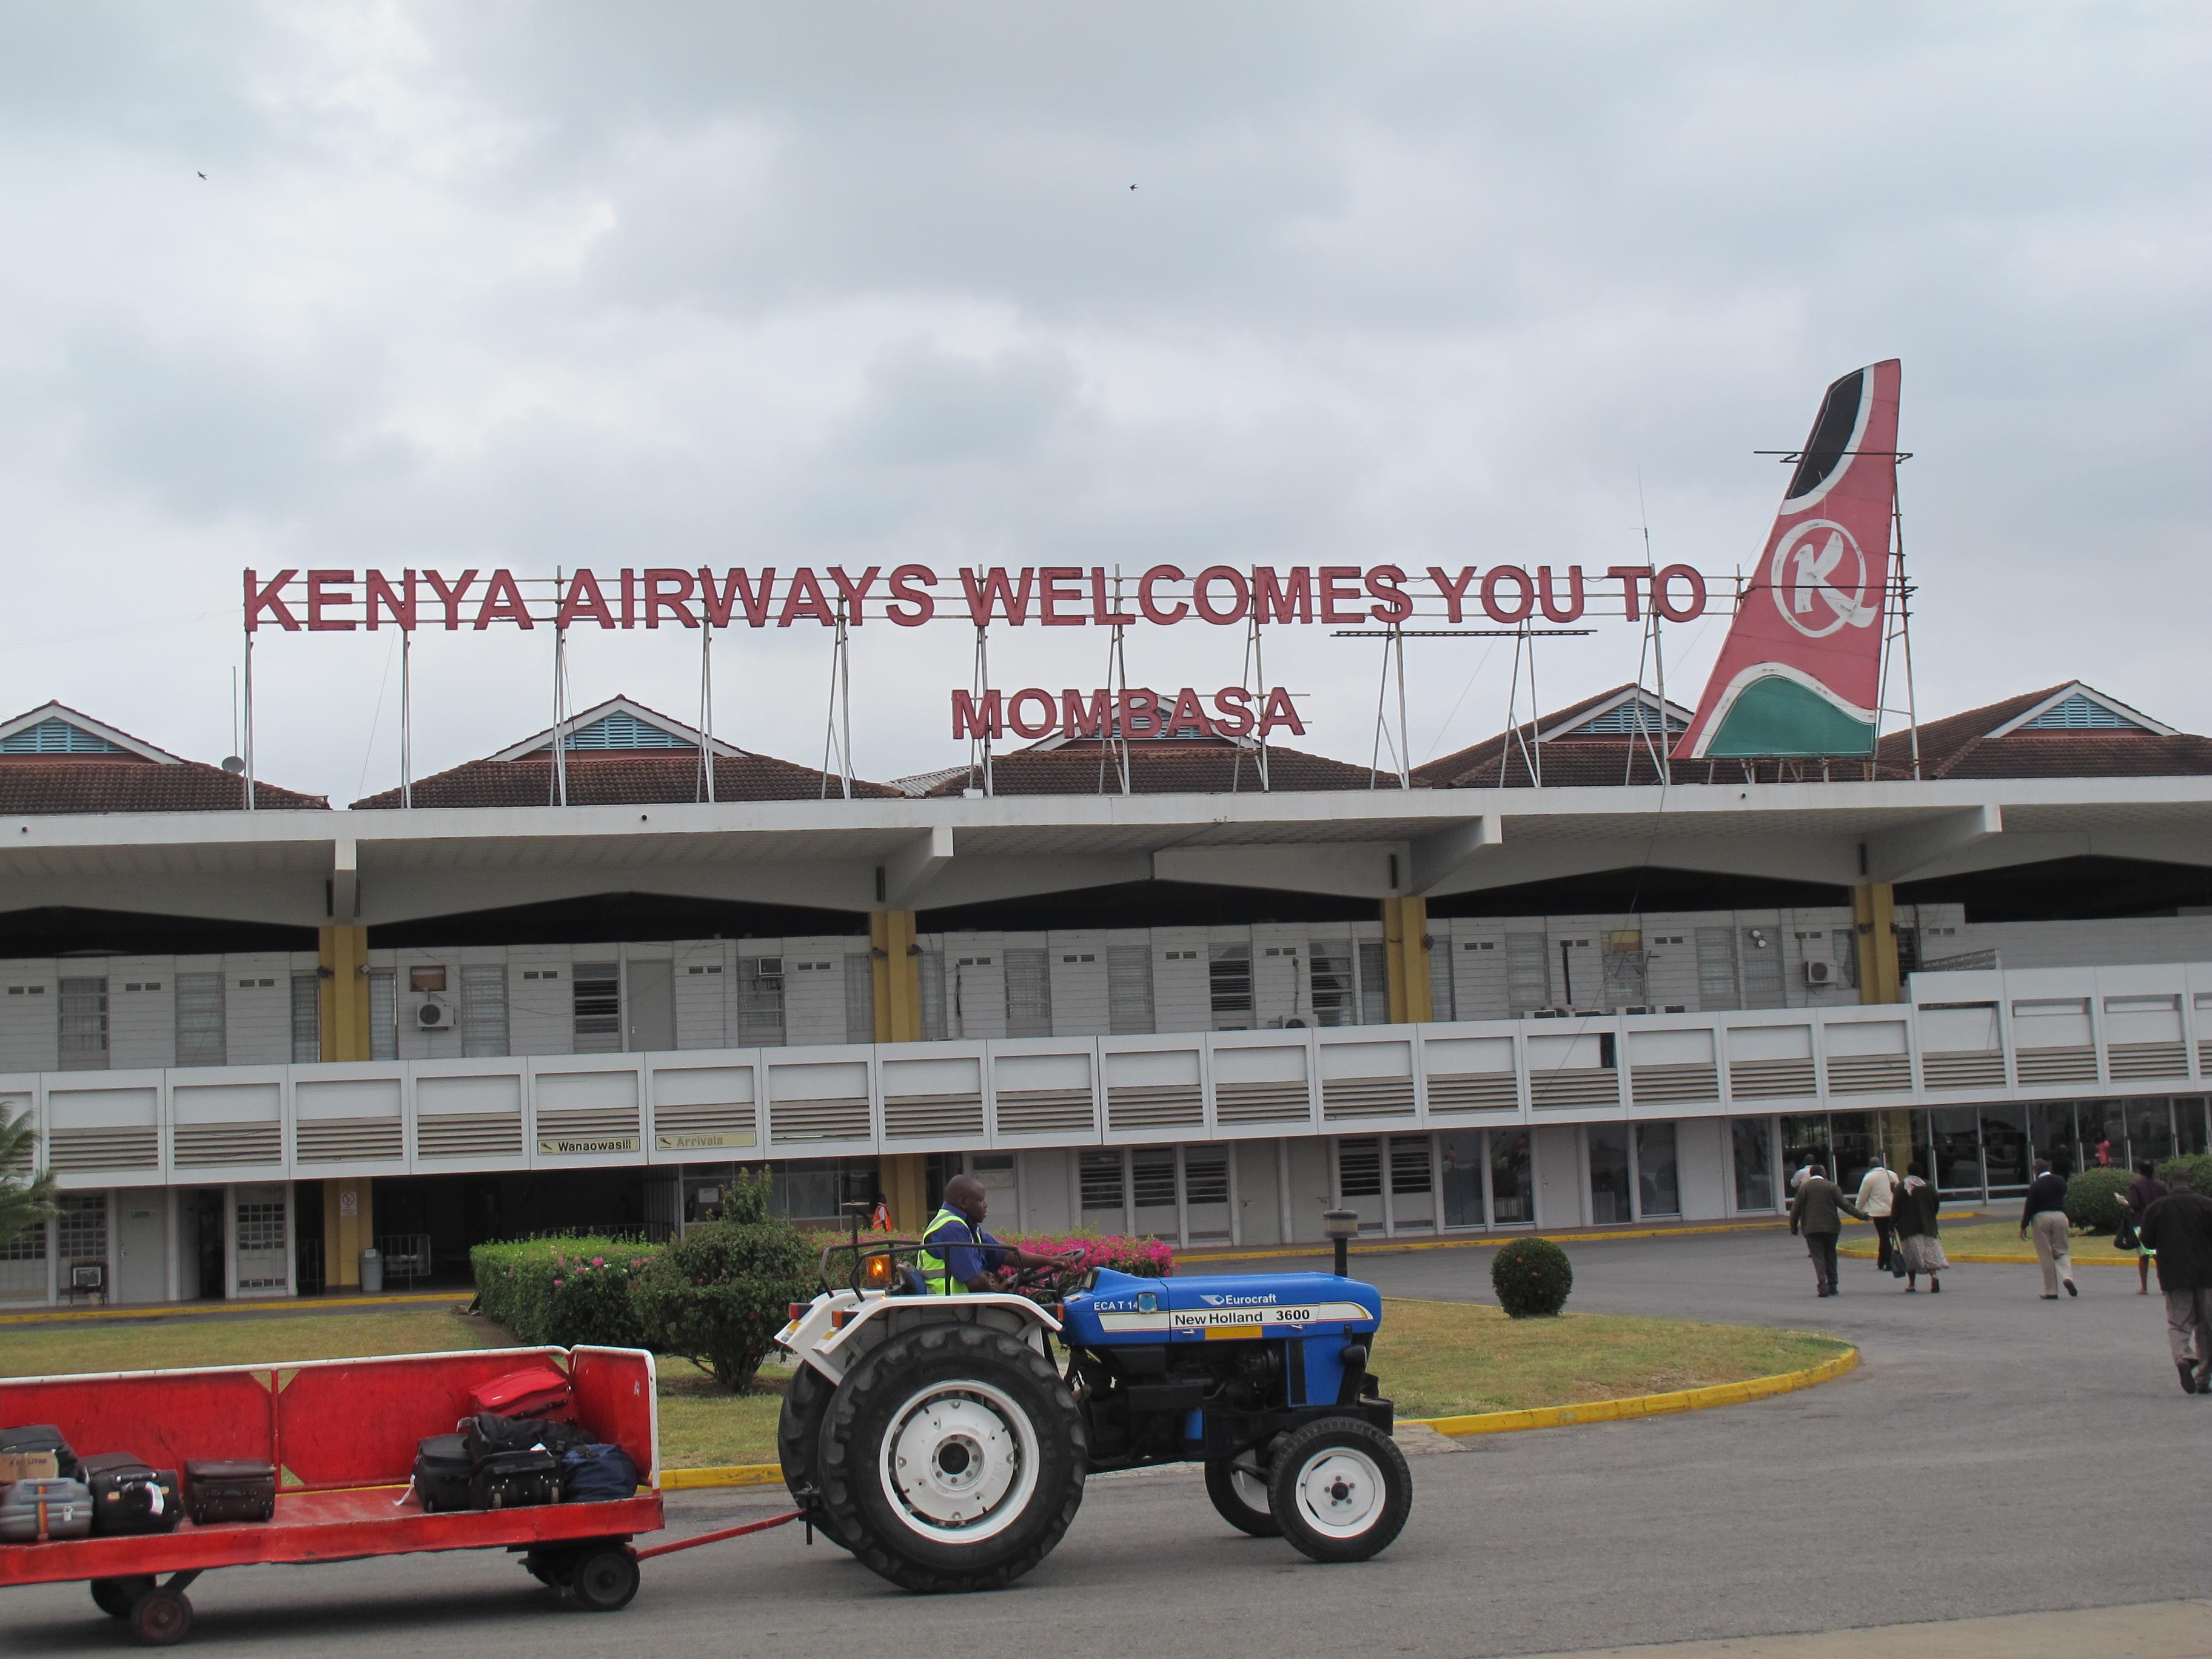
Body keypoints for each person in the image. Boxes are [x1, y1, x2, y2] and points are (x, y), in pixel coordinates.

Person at [916, 1174, 1066, 1294]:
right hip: (948, 1309)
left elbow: (1005, 1254)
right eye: (981, 1200)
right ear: (964, 1202)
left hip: (956, 1306)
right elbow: (975, 1283)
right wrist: (997, 1292)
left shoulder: (967, 1226)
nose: (986, 1205)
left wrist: (1048, 1261)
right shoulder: (952, 1228)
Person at [2135, 1170, 2212, 1395]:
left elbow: (2147, 1241)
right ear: (2191, 1185)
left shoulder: (2156, 1208)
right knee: (2207, 1326)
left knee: (2179, 1322)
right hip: (2206, 1274)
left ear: (2169, 1185)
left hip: (2173, 1274)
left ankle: (2183, 1357)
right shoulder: (2206, 1205)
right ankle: (2204, 1377)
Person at [1788, 1163, 1864, 1297]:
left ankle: (1822, 1285)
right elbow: (1845, 1205)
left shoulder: (1804, 1188)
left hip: (1811, 1228)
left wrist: (1793, 1226)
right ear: (1824, 1174)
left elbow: (1796, 1209)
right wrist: (1860, 1216)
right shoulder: (1831, 1187)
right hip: (1831, 1227)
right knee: (1830, 1255)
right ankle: (1833, 1285)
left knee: (1818, 1256)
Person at [2020, 1158, 2076, 1299]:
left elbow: (2030, 1206)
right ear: (2049, 1167)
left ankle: (2051, 1291)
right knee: (2062, 1251)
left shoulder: (2036, 1185)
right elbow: (2064, 1196)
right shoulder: (2060, 1181)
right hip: (2060, 1216)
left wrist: (2024, 1225)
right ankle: (2067, 1277)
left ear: (2035, 1171)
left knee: (2046, 1254)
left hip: (2041, 1218)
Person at [1891, 1161, 1946, 1293]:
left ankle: (1911, 1284)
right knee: (1929, 1255)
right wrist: (1930, 1216)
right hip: (1928, 1227)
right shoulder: (1929, 1186)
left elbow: (1896, 1209)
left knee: (1911, 1257)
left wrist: (1891, 1226)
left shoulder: (1901, 1187)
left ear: (1908, 1171)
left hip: (1908, 1228)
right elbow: (1936, 1204)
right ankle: (1933, 1276)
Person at [2121, 1160, 2168, 1297]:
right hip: (2160, 1223)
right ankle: (2164, 1286)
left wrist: (2125, 1203)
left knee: (2144, 1256)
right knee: (2159, 1256)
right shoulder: (2161, 1185)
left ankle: (2144, 1287)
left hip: (2142, 1223)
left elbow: (2134, 1204)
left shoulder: (2136, 1185)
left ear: (2139, 1171)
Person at [1855, 1155, 1900, 1273]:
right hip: (1893, 1210)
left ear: (1870, 1166)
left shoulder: (1869, 1177)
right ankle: (1881, 1261)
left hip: (1878, 1212)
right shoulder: (1892, 1175)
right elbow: (1898, 1191)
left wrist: (1857, 1210)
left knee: (1884, 1236)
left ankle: (1889, 1262)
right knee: (1887, 1236)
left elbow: (1863, 1196)